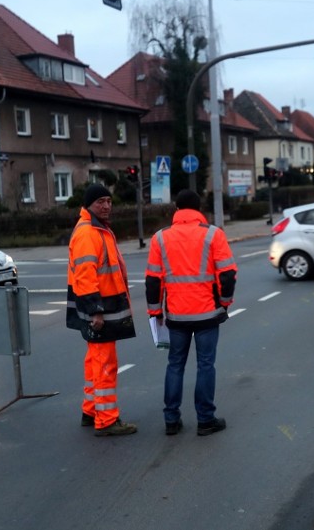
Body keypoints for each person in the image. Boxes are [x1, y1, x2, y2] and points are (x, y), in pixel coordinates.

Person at [145, 190, 237, 436]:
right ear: (199, 208)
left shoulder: (160, 238)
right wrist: (225, 303)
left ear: (177, 208)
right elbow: (227, 275)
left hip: (176, 315)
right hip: (207, 313)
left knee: (175, 364)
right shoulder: (213, 234)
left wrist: (156, 311)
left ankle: (171, 420)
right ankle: (206, 420)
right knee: (206, 365)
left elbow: (153, 280)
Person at [66, 184, 137, 437]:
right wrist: (96, 311)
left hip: (103, 306)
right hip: (100, 309)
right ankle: (106, 419)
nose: (106, 206)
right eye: (100, 202)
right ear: (89, 206)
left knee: (94, 360)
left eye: (108, 200)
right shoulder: (88, 233)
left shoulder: (99, 229)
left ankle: (91, 410)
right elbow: (86, 275)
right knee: (105, 363)